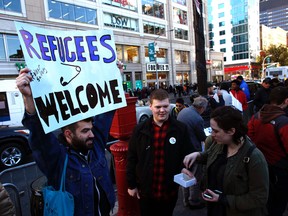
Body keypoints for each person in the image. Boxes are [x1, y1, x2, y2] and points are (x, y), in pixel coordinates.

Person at [16, 68, 116, 216]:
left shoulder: (95, 145)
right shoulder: (57, 159)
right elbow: (39, 135)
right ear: (68, 134)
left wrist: (114, 75)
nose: (92, 135)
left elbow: (106, 113)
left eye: (91, 129)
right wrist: (28, 99)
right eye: (85, 131)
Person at [183, 106, 269, 216]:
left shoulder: (254, 158)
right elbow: (210, 155)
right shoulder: (220, 144)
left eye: (216, 131)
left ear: (231, 131)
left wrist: (222, 199)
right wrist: (197, 155)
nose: (212, 135)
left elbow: (259, 197)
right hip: (215, 209)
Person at [126, 89, 193, 216]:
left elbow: (187, 153)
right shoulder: (139, 130)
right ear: (150, 106)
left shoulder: (180, 129)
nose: (162, 110)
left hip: (169, 190)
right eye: (158, 107)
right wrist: (131, 185)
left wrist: (184, 167)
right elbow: (132, 158)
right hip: (146, 191)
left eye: (165, 106)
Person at [248, 86, 288, 216]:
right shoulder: (283, 121)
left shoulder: (256, 116)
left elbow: (249, 138)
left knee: (266, 198)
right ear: (286, 101)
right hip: (280, 168)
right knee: (278, 203)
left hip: (260, 165)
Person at [177, 96, 208, 209]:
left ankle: (186, 200)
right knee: (195, 177)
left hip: (181, 149)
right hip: (193, 150)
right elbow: (202, 136)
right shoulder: (198, 119)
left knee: (185, 175)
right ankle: (194, 201)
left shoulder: (183, 111)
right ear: (201, 107)